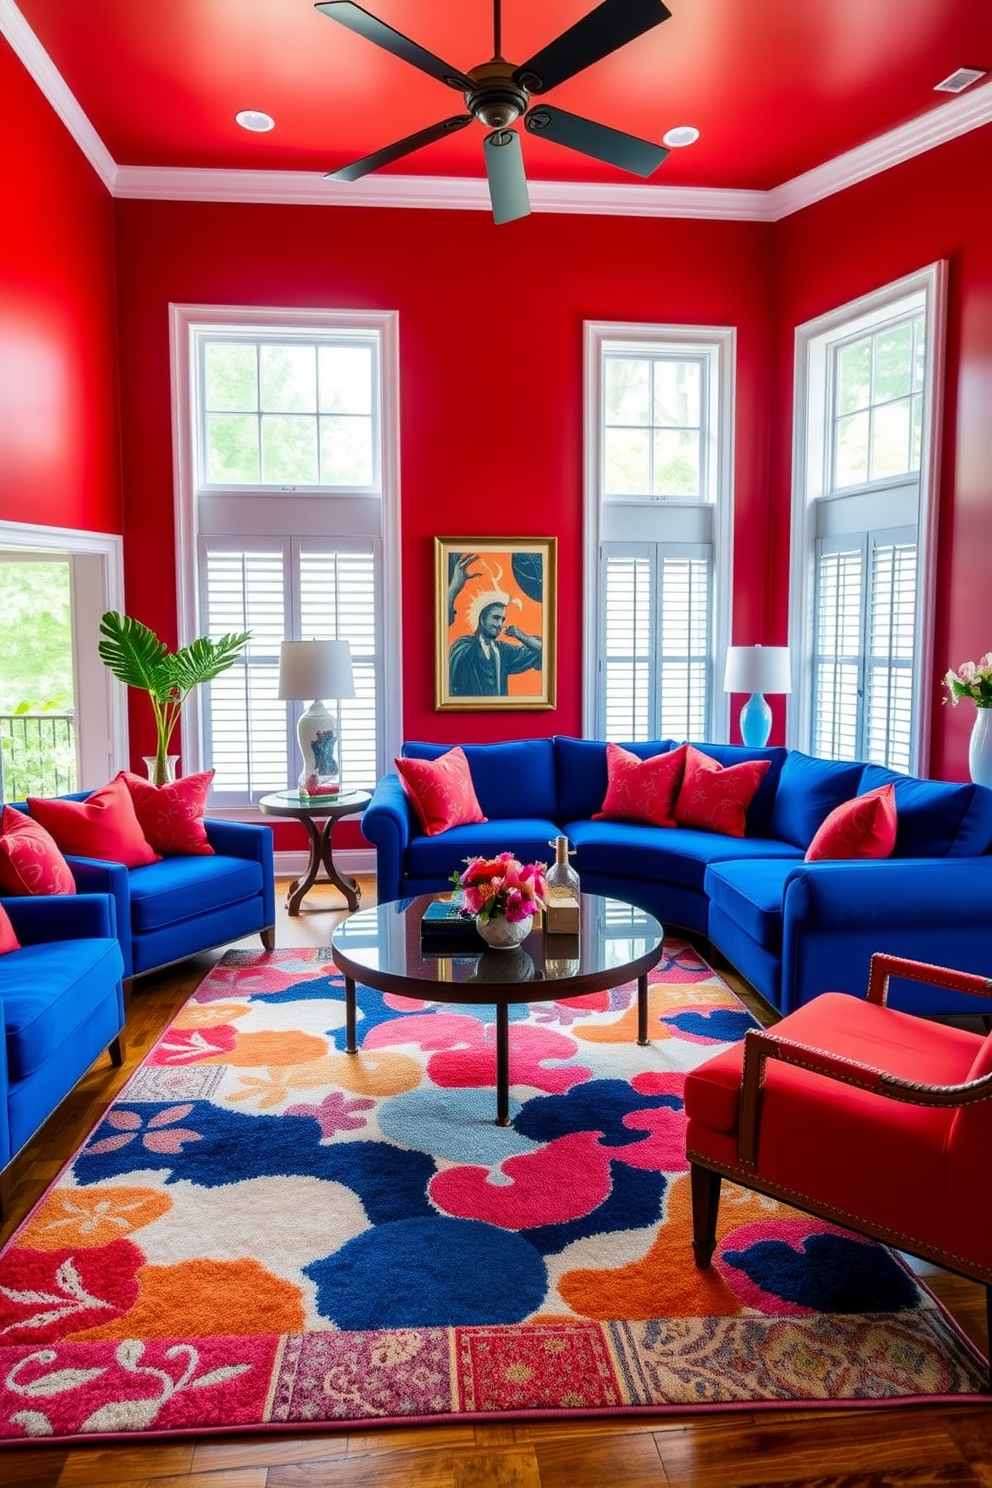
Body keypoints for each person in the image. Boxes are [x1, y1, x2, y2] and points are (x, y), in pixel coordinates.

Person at [447, 552, 543, 698]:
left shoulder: (503, 651)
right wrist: (453, 589)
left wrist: (519, 635)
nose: (500, 624)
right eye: (496, 618)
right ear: (482, 619)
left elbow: (544, 652)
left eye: (502, 619)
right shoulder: (465, 646)